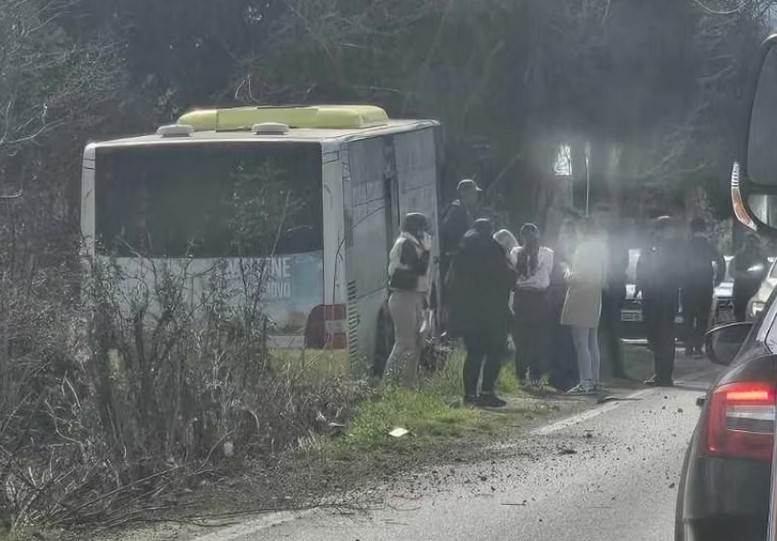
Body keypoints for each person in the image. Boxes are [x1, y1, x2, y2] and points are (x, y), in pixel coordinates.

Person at [447, 218, 516, 407]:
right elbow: (508, 277)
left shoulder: (462, 249)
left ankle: (469, 396)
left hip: (467, 313)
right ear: (490, 230)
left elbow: (450, 282)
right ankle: (486, 392)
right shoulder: (492, 247)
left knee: (474, 353)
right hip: (492, 313)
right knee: (495, 352)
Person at [384, 213, 433, 387]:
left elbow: (423, 279)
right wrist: (427, 251)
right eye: (422, 228)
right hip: (403, 297)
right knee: (404, 343)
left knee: (417, 342)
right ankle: (388, 384)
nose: (425, 232)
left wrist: (426, 304)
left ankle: (408, 385)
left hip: (415, 297)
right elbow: (419, 269)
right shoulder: (405, 244)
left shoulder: (413, 243)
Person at [561, 218, 607, 394]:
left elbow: (578, 276)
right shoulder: (601, 248)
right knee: (592, 341)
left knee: (581, 342)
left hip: (581, 295)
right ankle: (594, 380)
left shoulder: (583, 249)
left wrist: (565, 271)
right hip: (595, 296)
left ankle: (585, 381)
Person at [637, 216, 682, 386]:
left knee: (665, 336)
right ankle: (658, 373)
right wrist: (639, 284)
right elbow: (642, 265)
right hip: (651, 295)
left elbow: (677, 271)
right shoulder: (650, 245)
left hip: (666, 297)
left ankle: (665, 375)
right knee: (653, 335)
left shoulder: (675, 248)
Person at [511, 223, 554, 386]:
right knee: (537, 339)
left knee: (522, 340)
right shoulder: (548, 253)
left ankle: (521, 376)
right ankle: (535, 376)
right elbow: (547, 273)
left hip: (521, 298)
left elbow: (514, 272)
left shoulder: (515, 252)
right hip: (538, 297)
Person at [681, 217, 725, 356]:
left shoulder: (686, 246)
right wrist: (718, 279)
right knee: (702, 318)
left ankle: (688, 347)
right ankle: (698, 347)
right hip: (705, 286)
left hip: (688, 287)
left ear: (691, 229)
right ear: (704, 229)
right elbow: (721, 262)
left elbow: (677, 265)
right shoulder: (709, 245)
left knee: (688, 317)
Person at [600, 214, 629, 379]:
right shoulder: (612, 246)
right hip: (608, 290)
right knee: (608, 332)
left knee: (610, 331)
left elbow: (619, 267)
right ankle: (611, 369)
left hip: (611, 290)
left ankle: (614, 369)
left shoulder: (614, 247)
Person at [440, 179, 483, 281]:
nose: (476, 197)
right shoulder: (456, 211)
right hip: (458, 262)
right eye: (474, 193)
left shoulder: (466, 210)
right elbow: (451, 235)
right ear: (465, 195)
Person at [733, 232, 768, 322]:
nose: (751, 244)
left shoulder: (761, 257)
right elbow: (733, 272)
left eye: (753, 242)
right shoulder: (739, 256)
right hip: (740, 291)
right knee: (739, 317)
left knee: (752, 317)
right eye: (749, 242)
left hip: (753, 290)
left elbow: (763, 273)